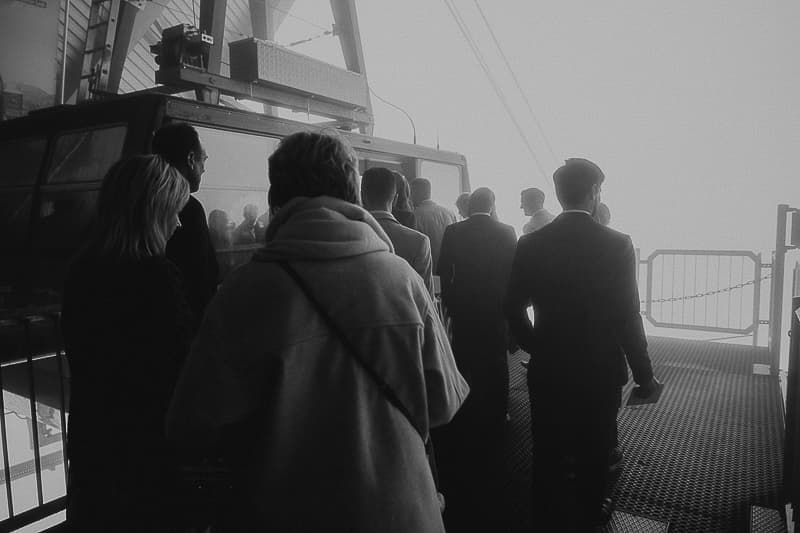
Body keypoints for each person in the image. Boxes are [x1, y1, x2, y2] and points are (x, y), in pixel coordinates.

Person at [166, 131, 469, 532]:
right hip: (401, 512)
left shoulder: (243, 293)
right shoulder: (403, 282)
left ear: (276, 198)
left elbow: (193, 425)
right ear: (351, 195)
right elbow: (444, 404)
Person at [505, 158, 660, 531]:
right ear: (593, 193)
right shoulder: (617, 244)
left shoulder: (531, 242)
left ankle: (545, 514)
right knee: (595, 451)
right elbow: (628, 316)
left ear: (558, 195)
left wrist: (537, 347)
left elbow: (511, 305)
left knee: (547, 450)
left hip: (550, 369)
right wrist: (644, 377)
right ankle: (590, 514)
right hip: (599, 369)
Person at [61, 155, 193, 531]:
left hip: (94, 446)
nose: (179, 223)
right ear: (152, 213)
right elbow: (181, 371)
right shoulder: (158, 280)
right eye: (174, 211)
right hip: (148, 459)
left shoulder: (81, 272)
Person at [435, 187, 517, 531]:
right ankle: (499, 413)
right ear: (493, 205)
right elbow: (515, 271)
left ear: (469, 206)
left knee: (466, 357)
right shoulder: (506, 231)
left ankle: (466, 405)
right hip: (496, 308)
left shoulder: (454, 231)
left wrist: (452, 302)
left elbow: (442, 270)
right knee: (496, 360)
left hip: (465, 308)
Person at [152, 122, 219, 323]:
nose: (204, 168)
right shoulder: (188, 208)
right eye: (203, 159)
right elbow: (199, 278)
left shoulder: (141, 200)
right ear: (191, 159)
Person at [362, 167, 434, 296]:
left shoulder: (346, 235)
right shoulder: (420, 242)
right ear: (395, 199)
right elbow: (426, 298)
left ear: (362, 196)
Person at [411, 177, 458, 271]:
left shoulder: (415, 215)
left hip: (428, 269)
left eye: (411, 193)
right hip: (448, 269)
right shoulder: (449, 212)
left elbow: (415, 247)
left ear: (415, 193)